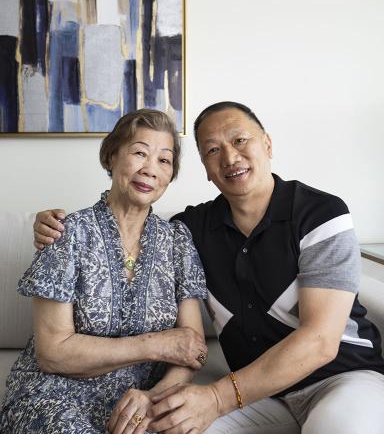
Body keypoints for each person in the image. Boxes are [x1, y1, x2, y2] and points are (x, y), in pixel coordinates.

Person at [31, 102, 384, 433]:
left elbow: (321, 341)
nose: (230, 156)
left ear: (267, 144)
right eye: (213, 150)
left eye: (240, 140)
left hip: (340, 378)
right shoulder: (191, 229)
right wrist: (50, 225)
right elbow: (132, 225)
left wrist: (215, 397)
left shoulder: (320, 213)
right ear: (205, 168)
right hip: (259, 393)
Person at [0, 109, 208, 434]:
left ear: (170, 176)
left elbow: (192, 350)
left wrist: (153, 398)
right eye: (139, 152)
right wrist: (155, 344)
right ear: (112, 157)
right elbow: (53, 353)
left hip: (136, 402)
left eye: (164, 160)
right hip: (54, 396)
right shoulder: (65, 233)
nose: (150, 169)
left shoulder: (177, 242)